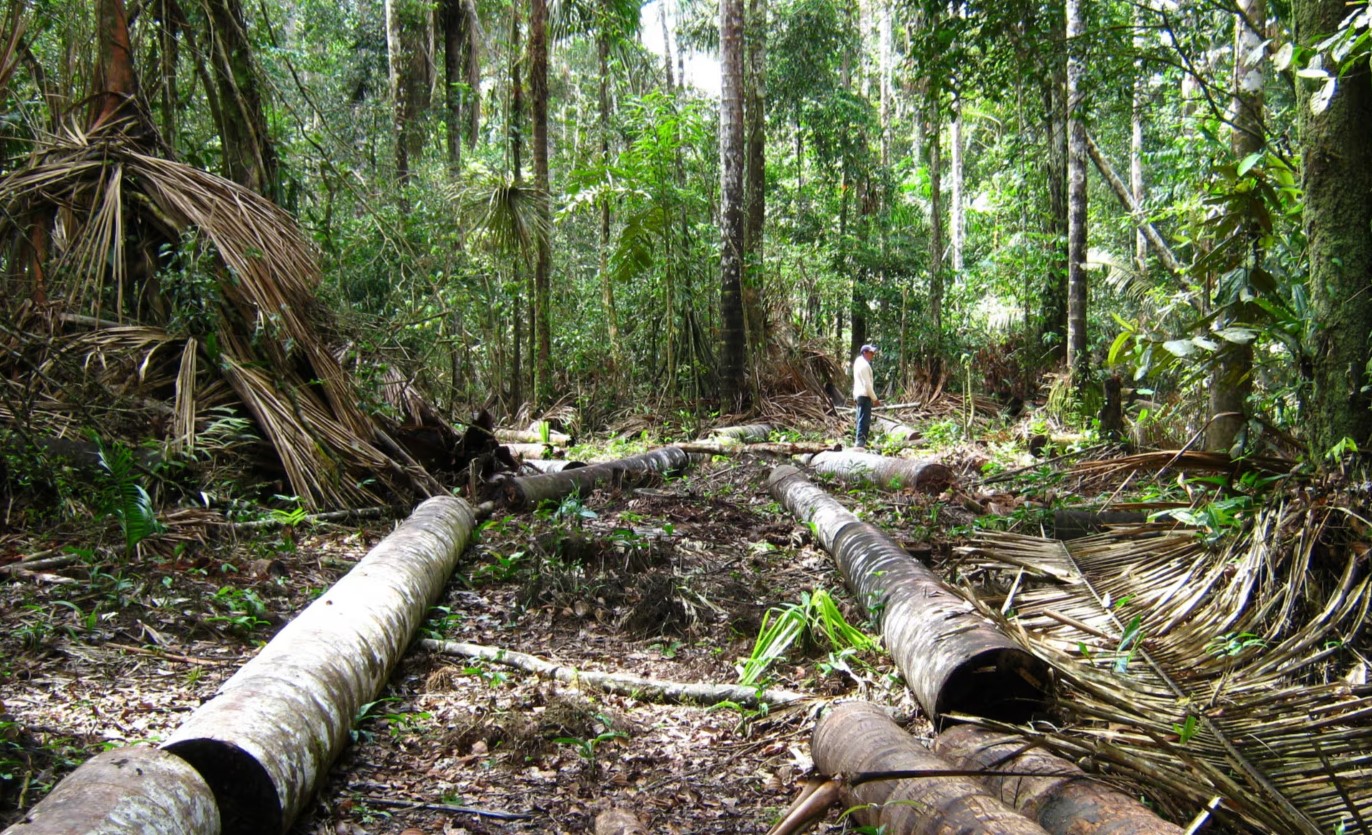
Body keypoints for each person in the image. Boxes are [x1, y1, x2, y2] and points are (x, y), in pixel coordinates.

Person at [852, 344, 880, 448]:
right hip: (864, 395)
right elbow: (867, 385)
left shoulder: (858, 362)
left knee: (860, 418)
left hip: (859, 394)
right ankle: (860, 442)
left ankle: (859, 441)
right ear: (865, 353)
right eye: (871, 353)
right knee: (864, 420)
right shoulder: (864, 365)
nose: (872, 355)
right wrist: (875, 399)